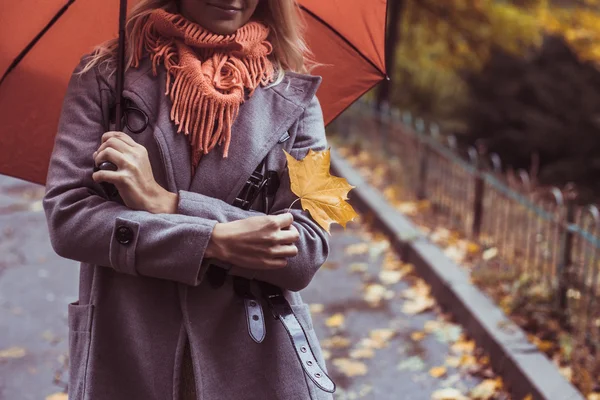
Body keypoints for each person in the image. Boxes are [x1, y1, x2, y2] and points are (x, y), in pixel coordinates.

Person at [42, 0, 334, 399]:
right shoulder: (105, 77)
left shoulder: (297, 100)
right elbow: (68, 217)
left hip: (259, 364)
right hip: (127, 353)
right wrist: (212, 241)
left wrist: (169, 204)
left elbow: (309, 246)